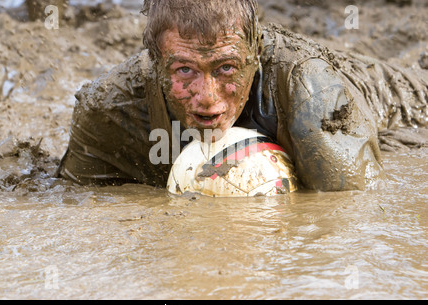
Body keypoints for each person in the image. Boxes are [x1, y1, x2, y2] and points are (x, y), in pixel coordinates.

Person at [56, 0, 427, 191]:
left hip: (408, 106)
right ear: (153, 63)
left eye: (226, 69)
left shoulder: (309, 90)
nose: (207, 97)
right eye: (184, 70)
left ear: (255, 54)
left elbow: (352, 213)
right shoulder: (110, 109)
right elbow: (77, 205)